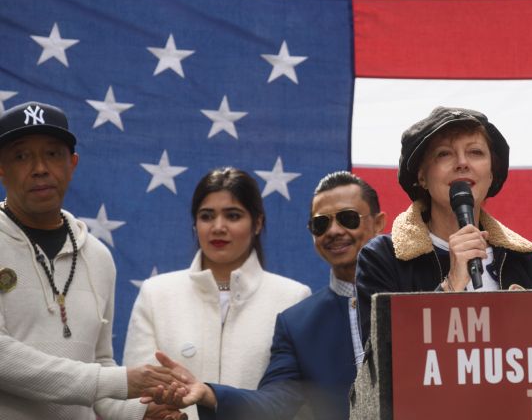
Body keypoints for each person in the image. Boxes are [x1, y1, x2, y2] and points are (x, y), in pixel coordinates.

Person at [140, 171, 386, 419]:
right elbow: (276, 402)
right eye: (321, 223)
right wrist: (209, 394)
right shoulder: (298, 322)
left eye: (348, 218)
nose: (333, 231)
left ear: (378, 223)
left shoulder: (415, 293)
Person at [0, 101, 185, 419]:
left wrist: (141, 413)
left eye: (53, 154)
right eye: (21, 156)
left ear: (72, 164)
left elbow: (98, 365)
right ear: (1, 169)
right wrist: (120, 381)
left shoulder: (98, 257)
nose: (40, 167)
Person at [123, 167, 311, 420]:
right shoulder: (156, 293)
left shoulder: (293, 298)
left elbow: (297, 404)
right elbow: (128, 396)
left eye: (233, 216)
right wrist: (149, 413)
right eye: (207, 216)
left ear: (257, 223)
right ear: (195, 223)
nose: (218, 227)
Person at [355, 106, 532, 344]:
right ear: (422, 176)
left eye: (476, 152)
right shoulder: (382, 259)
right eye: (444, 154)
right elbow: (380, 360)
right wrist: (451, 285)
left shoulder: (528, 264)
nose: (462, 163)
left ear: (491, 174)